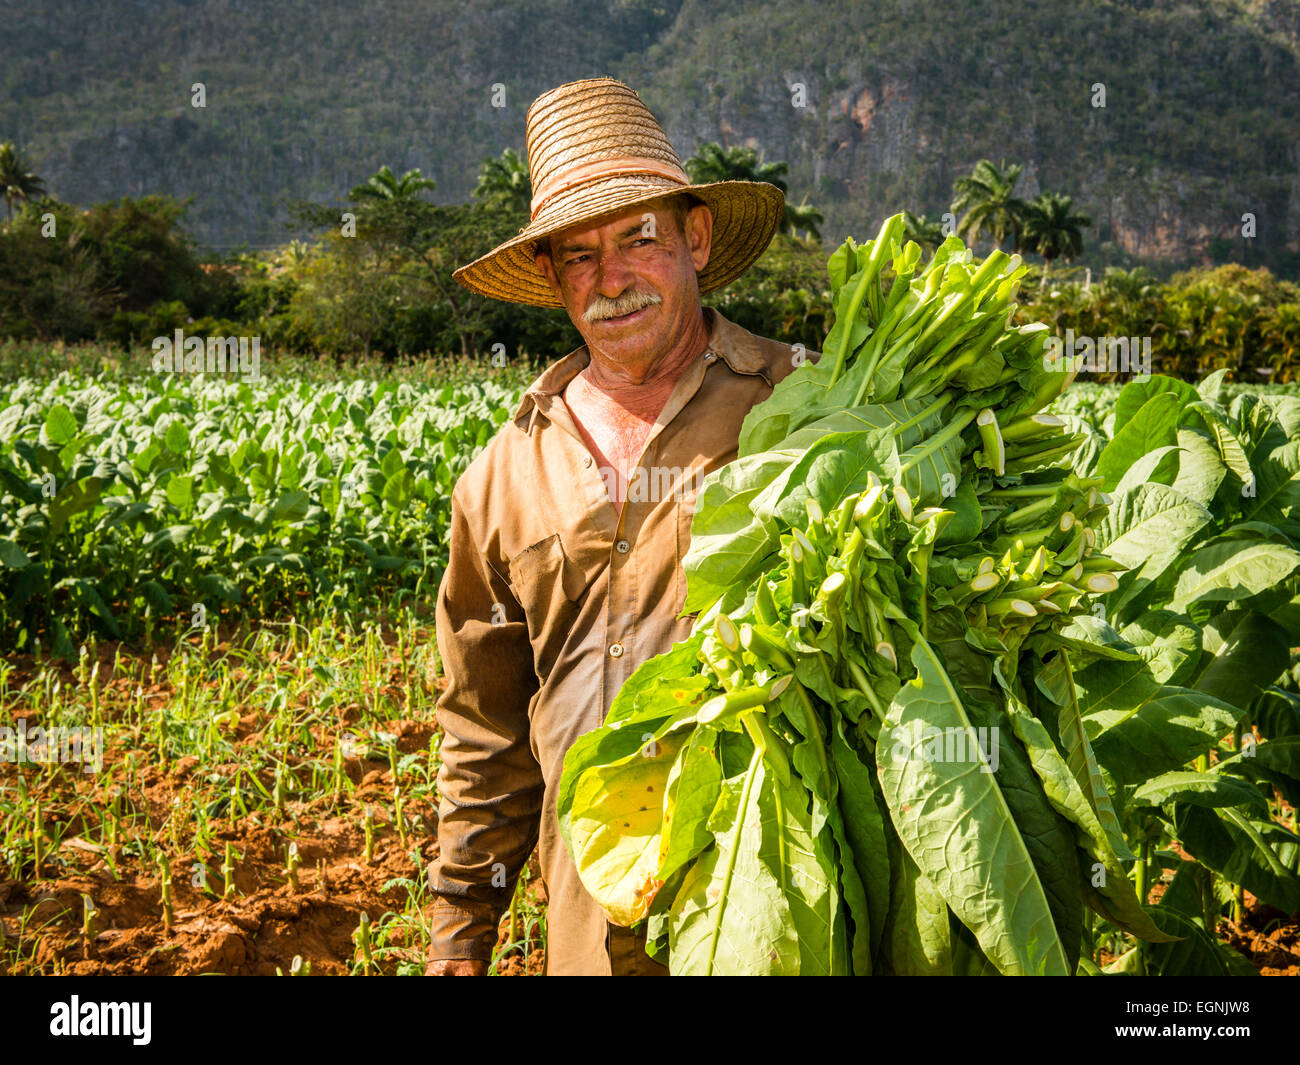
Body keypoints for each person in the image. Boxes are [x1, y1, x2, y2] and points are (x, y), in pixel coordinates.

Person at [425, 76, 812, 976]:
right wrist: (457, 943)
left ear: (695, 238)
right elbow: (485, 738)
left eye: (639, 236)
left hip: (782, 918)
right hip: (590, 940)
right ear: (553, 277)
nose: (613, 278)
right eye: (579, 255)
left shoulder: (803, 408)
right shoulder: (503, 476)